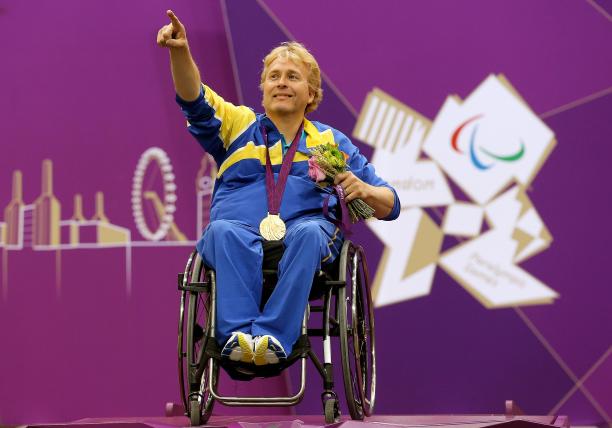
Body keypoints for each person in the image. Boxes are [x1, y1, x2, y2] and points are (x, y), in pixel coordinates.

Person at [157, 10, 400, 366]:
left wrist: (362, 188)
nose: (281, 83)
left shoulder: (330, 142)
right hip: (238, 233)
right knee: (222, 231)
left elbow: (390, 205)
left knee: (309, 234)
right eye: (274, 76)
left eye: (293, 77)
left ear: (311, 93)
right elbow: (194, 100)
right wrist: (179, 51)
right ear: (263, 88)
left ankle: (273, 339)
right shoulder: (238, 126)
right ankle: (238, 340)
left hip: (304, 236)